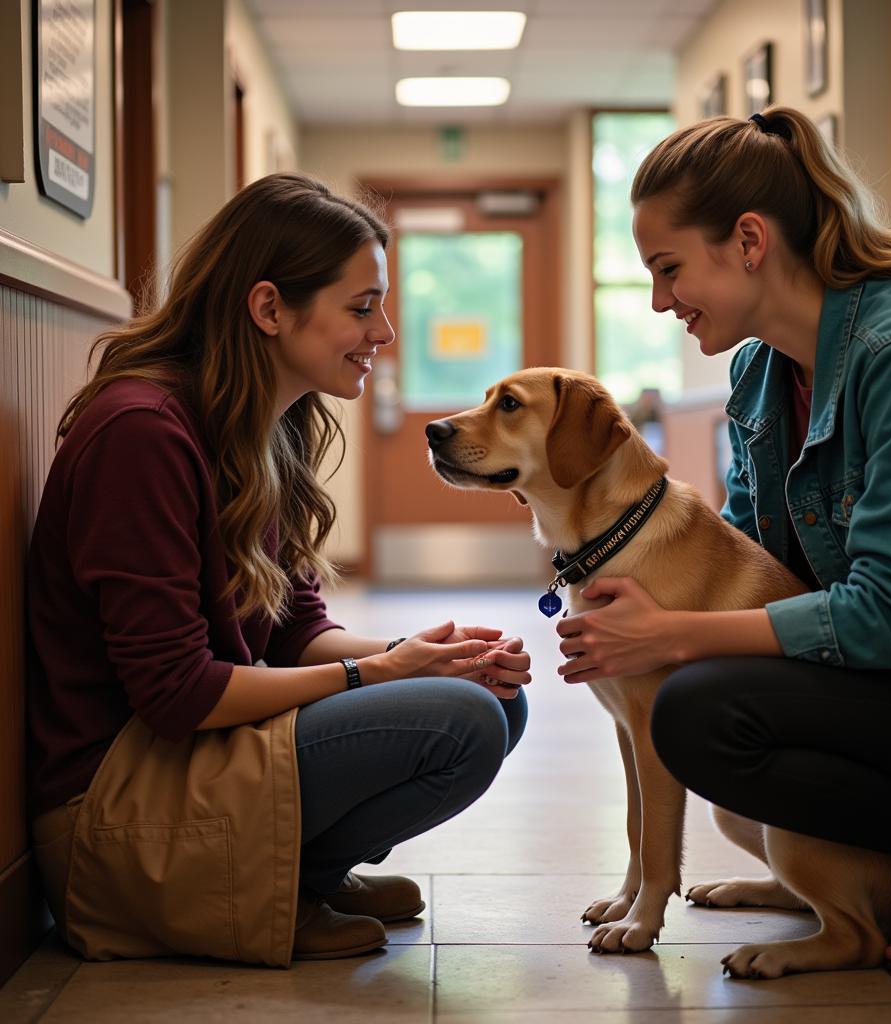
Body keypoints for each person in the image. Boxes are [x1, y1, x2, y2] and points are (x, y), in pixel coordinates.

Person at [555, 107, 891, 975]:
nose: (660, 299)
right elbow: (758, 563)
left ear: (747, 240)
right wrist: (649, 599)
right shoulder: (761, 370)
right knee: (690, 698)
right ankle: (811, 877)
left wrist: (673, 632)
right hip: (889, 687)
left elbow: (888, 619)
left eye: (668, 268)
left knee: (698, 710)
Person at [26, 172, 530, 966]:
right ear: (268, 308)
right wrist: (380, 674)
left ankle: (298, 881)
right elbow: (177, 694)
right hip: (118, 805)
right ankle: (264, 891)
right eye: (362, 308)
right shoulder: (141, 433)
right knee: (458, 722)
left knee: (490, 696)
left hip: (191, 762)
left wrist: (428, 656)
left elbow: (297, 631)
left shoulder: (267, 426)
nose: (386, 332)